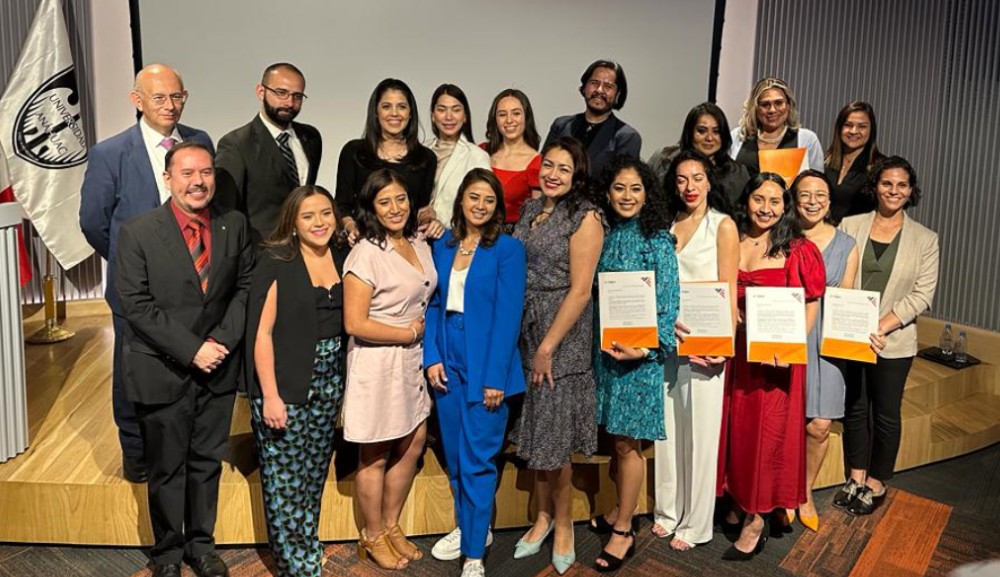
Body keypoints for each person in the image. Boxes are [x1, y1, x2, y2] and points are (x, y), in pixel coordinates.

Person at [115, 142, 253, 577]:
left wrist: (220, 343)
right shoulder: (138, 232)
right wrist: (193, 349)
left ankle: (201, 544)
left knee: (206, 461)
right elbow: (136, 306)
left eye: (207, 172)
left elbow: (245, 288)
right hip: (163, 368)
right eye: (188, 173)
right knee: (166, 467)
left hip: (218, 368)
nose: (199, 182)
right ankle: (168, 553)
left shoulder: (234, 225)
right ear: (168, 179)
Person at [80, 63, 214, 484]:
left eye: (177, 96)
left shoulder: (199, 141)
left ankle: (189, 445)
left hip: (192, 284)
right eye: (159, 97)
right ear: (137, 100)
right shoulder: (110, 153)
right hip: (134, 289)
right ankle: (136, 451)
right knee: (132, 371)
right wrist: (130, 264)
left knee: (190, 363)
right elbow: (93, 222)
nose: (170, 105)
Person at [717, 172, 825, 561]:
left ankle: (757, 518)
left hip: (776, 360)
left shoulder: (798, 248)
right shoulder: (734, 239)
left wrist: (792, 341)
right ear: (746, 200)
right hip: (738, 356)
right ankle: (739, 496)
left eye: (775, 201)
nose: (766, 208)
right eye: (759, 199)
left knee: (767, 438)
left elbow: (812, 301)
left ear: (786, 206)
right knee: (739, 432)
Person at [424, 169, 527, 577]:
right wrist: (432, 356)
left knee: (480, 459)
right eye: (473, 197)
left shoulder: (507, 249)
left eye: (488, 199)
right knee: (454, 457)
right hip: (448, 357)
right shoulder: (443, 245)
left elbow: (508, 318)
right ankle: (472, 528)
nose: (480, 205)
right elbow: (432, 304)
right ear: (461, 201)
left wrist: (495, 379)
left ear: (497, 207)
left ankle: (473, 554)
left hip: (487, 361)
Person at [511, 137, 605, 575]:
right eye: (548, 165)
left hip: (561, 333)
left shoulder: (585, 216)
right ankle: (543, 516)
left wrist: (548, 345)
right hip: (526, 327)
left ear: (577, 176)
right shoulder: (532, 210)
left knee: (555, 437)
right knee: (538, 431)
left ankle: (563, 523)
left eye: (563, 169)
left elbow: (582, 290)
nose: (552, 174)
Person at [244, 186, 348, 577]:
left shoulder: (341, 256)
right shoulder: (276, 261)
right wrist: (270, 396)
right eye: (308, 216)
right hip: (284, 384)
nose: (319, 222)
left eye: (325, 213)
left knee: (312, 474)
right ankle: (296, 568)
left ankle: (307, 547)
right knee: (284, 482)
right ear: (293, 222)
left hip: (327, 383)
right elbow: (261, 334)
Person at [342, 169, 438, 570]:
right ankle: (373, 533)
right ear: (371, 208)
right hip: (378, 361)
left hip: (412, 362)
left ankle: (393, 524)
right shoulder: (366, 252)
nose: (395, 208)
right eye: (385, 202)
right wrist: (406, 334)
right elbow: (354, 323)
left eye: (400, 199)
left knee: (414, 442)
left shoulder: (419, 241)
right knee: (375, 453)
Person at [590, 156, 679, 572]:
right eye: (620, 188)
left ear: (648, 195)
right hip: (607, 354)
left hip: (640, 359)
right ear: (607, 193)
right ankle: (617, 510)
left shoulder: (657, 239)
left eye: (636, 189)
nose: (627, 196)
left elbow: (668, 305)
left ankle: (624, 528)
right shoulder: (603, 234)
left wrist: (644, 351)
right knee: (616, 438)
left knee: (628, 444)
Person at [837, 156, 939, 515]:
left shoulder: (925, 239)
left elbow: (922, 295)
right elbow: (839, 278)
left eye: (902, 185)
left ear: (911, 191)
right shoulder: (850, 226)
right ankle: (855, 475)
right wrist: (855, 324)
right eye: (887, 183)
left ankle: (877, 482)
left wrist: (879, 326)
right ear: (875, 187)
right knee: (855, 407)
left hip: (892, 341)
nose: (894, 191)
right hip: (851, 334)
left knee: (885, 413)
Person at [652, 149, 739, 550]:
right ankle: (668, 512)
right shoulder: (667, 224)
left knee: (701, 435)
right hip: (669, 340)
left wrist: (725, 344)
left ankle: (697, 523)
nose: (690, 187)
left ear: (709, 181)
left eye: (697, 178)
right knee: (667, 432)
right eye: (682, 179)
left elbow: (729, 291)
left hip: (705, 344)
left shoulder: (723, 226)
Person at [791, 170, 859, 531]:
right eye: (805, 194)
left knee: (819, 425)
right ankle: (782, 492)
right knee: (785, 419)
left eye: (820, 194)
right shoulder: (782, 237)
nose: (813, 201)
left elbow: (847, 297)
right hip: (787, 334)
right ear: (795, 199)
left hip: (828, 340)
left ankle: (804, 492)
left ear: (830, 201)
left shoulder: (847, 245)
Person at [215, 63, 323, 244]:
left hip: (306, 248)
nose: (289, 103)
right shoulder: (236, 145)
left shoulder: (311, 138)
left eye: (297, 96)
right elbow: (227, 213)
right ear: (260, 91)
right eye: (281, 93)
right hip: (262, 253)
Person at [336, 79, 441, 240]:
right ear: (376, 112)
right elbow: (342, 206)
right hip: (363, 245)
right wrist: (352, 228)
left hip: (407, 246)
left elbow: (420, 212)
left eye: (402, 107)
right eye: (386, 106)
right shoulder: (354, 151)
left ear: (410, 112)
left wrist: (430, 217)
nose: (394, 113)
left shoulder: (426, 158)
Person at [543, 60, 641, 175]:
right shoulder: (561, 125)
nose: (599, 90)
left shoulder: (627, 137)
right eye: (594, 83)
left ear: (618, 94)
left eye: (608, 86)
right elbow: (544, 167)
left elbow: (620, 184)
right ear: (584, 87)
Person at [649, 102, 750, 208]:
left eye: (716, 132)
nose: (709, 138)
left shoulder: (736, 173)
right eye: (702, 131)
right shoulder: (663, 159)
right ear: (690, 133)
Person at [426, 84, 491, 227]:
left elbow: (483, 206)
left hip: (455, 237)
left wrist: (440, 220)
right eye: (441, 110)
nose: (449, 117)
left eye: (456, 110)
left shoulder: (477, 157)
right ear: (432, 115)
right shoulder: (420, 150)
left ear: (465, 116)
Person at [729, 77, 824, 176]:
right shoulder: (737, 136)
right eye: (765, 104)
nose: (772, 110)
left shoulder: (808, 139)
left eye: (779, 103)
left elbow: (817, 182)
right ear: (755, 108)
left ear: (788, 105)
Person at [481, 88, 542, 228]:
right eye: (502, 114)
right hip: (475, 231)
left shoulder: (537, 163)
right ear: (495, 119)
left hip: (513, 236)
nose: (509, 120)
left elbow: (536, 217)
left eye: (516, 113)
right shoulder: (481, 152)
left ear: (526, 117)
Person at [824, 101, 885, 223]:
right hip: (823, 235)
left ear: (871, 130)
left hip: (857, 237)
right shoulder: (824, 161)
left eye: (862, 126)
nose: (853, 131)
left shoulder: (881, 167)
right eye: (848, 125)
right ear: (839, 128)